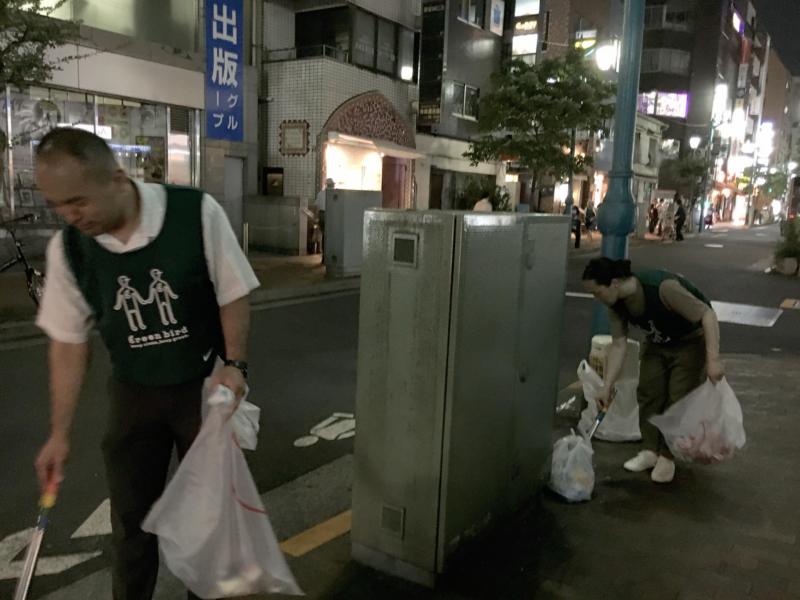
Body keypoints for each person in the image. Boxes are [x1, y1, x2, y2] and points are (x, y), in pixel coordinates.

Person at [32, 128, 260, 600]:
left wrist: (236, 363)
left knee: (210, 522)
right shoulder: (70, 250)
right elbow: (69, 343)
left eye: (78, 201)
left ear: (116, 177)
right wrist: (59, 433)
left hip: (202, 385)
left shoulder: (193, 212)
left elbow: (232, 290)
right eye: (58, 207)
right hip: (133, 392)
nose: (71, 217)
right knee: (131, 524)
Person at [582, 257, 724, 484]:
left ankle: (668, 456)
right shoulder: (615, 305)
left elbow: (707, 315)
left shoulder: (662, 288)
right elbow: (619, 344)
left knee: (677, 399)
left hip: (689, 341)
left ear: (615, 283)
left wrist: (713, 359)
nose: (596, 298)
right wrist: (606, 386)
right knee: (648, 391)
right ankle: (650, 450)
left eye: (597, 292)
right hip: (658, 342)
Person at [314, 178, 334, 260]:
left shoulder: (320, 194)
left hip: (322, 215)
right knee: (331, 236)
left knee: (324, 236)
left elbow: (316, 207)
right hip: (331, 215)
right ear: (332, 185)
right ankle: (328, 257)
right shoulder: (333, 195)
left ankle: (324, 257)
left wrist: (316, 217)